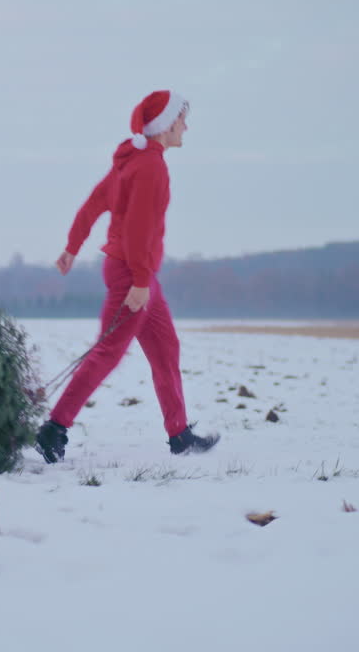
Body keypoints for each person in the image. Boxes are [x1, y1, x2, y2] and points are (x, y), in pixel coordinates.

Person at [36, 90, 219, 463]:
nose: (187, 126)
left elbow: (93, 203)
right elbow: (139, 229)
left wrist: (73, 247)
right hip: (132, 272)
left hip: (138, 272)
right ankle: (54, 428)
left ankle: (179, 434)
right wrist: (138, 281)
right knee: (107, 353)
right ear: (166, 125)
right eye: (182, 118)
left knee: (166, 350)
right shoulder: (150, 166)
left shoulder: (132, 160)